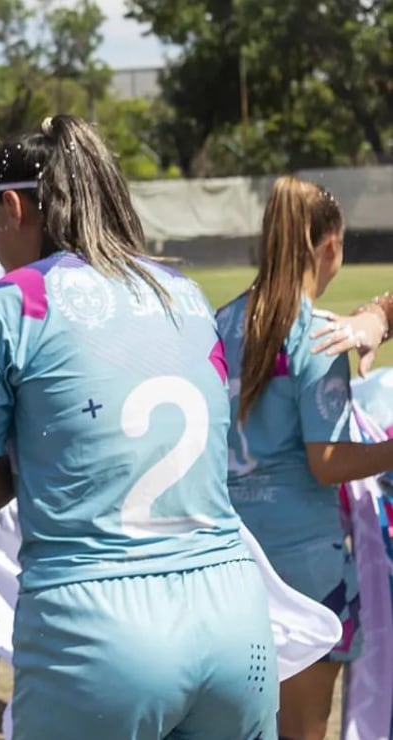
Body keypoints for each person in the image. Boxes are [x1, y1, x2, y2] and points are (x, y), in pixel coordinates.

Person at [0, 115, 278, 740]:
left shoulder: (12, 300)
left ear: (14, 206)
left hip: (98, 628)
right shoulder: (186, 293)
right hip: (236, 616)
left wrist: (45, 463)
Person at [215, 175, 393, 740]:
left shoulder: (218, 322)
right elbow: (329, 461)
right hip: (304, 571)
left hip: (228, 560)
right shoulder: (319, 335)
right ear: (331, 246)